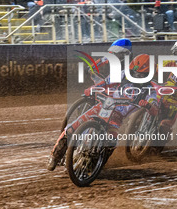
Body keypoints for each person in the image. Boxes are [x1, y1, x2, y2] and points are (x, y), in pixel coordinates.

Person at [47, 39, 159, 171]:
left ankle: (97, 166)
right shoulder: (123, 74)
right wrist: (93, 89)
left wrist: (148, 105)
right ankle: (55, 156)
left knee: (112, 142)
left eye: (140, 74)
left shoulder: (151, 89)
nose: (136, 75)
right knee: (71, 128)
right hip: (102, 107)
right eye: (134, 72)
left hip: (116, 118)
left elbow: (154, 108)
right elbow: (105, 82)